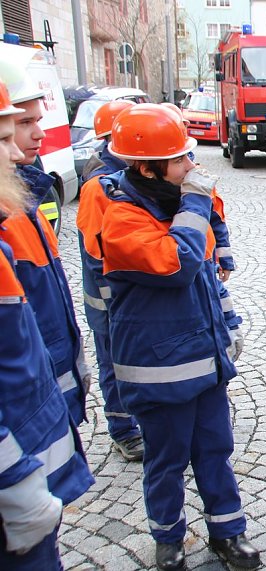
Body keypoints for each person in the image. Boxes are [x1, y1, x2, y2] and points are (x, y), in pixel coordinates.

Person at [98, 103, 258, 570]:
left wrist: (228, 327)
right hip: (159, 370)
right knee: (165, 462)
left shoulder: (177, 206)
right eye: (181, 160)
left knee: (215, 451)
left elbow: (208, 272)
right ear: (148, 168)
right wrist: (194, 201)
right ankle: (168, 540)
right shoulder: (123, 220)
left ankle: (228, 533)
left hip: (204, 362)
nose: (193, 166)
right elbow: (179, 263)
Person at [0, 78, 94, 571]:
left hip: (42, 413)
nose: (24, 143)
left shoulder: (26, 196)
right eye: (16, 126)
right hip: (19, 446)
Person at [0, 58, 90, 427]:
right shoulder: (11, 205)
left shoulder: (27, 192)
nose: (39, 134)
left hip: (48, 391)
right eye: (23, 124)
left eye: (38, 120)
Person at [77, 99, 147, 461]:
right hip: (108, 298)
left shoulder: (129, 176)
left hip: (123, 295)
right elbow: (97, 253)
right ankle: (123, 430)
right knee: (114, 360)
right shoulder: (99, 186)